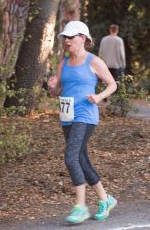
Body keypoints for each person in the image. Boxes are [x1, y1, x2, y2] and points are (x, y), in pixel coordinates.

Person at [47, 20, 118, 224]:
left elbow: (112, 84)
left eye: (71, 37)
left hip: (85, 116)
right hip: (67, 116)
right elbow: (57, 92)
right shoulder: (63, 62)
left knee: (71, 157)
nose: (67, 41)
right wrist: (52, 87)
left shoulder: (93, 61)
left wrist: (99, 97)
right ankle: (106, 199)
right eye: (65, 37)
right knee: (81, 160)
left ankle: (81, 206)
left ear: (83, 39)